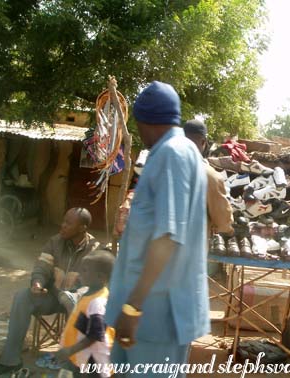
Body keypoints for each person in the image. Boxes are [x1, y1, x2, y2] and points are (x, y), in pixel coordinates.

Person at [105, 81, 208, 376]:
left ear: (144, 121)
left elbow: (167, 237)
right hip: (152, 312)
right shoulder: (184, 150)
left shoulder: (171, 155)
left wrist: (132, 308)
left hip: (154, 314)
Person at [0, 208, 100, 375]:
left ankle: (74, 364)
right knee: (22, 297)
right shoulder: (55, 242)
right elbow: (42, 267)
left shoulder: (94, 249)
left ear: (82, 228)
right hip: (52, 297)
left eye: (68, 223)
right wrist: (37, 282)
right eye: (63, 221)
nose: (63, 226)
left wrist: (75, 294)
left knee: (84, 305)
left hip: (76, 303)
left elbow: (93, 285)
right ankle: (10, 361)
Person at [56, 250, 116, 377]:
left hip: (94, 361)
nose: (80, 274)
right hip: (82, 357)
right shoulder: (87, 294)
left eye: (85, 270)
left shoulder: (98, 302)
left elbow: (95, 335)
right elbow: (82, 325)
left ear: (100, 277)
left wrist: (70, 350)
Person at [183, 119, 234, 235]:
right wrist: (228, 228)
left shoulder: (165, 165)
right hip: (190, 245)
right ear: (203, 142)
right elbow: (223, 221)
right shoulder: (209, 176)